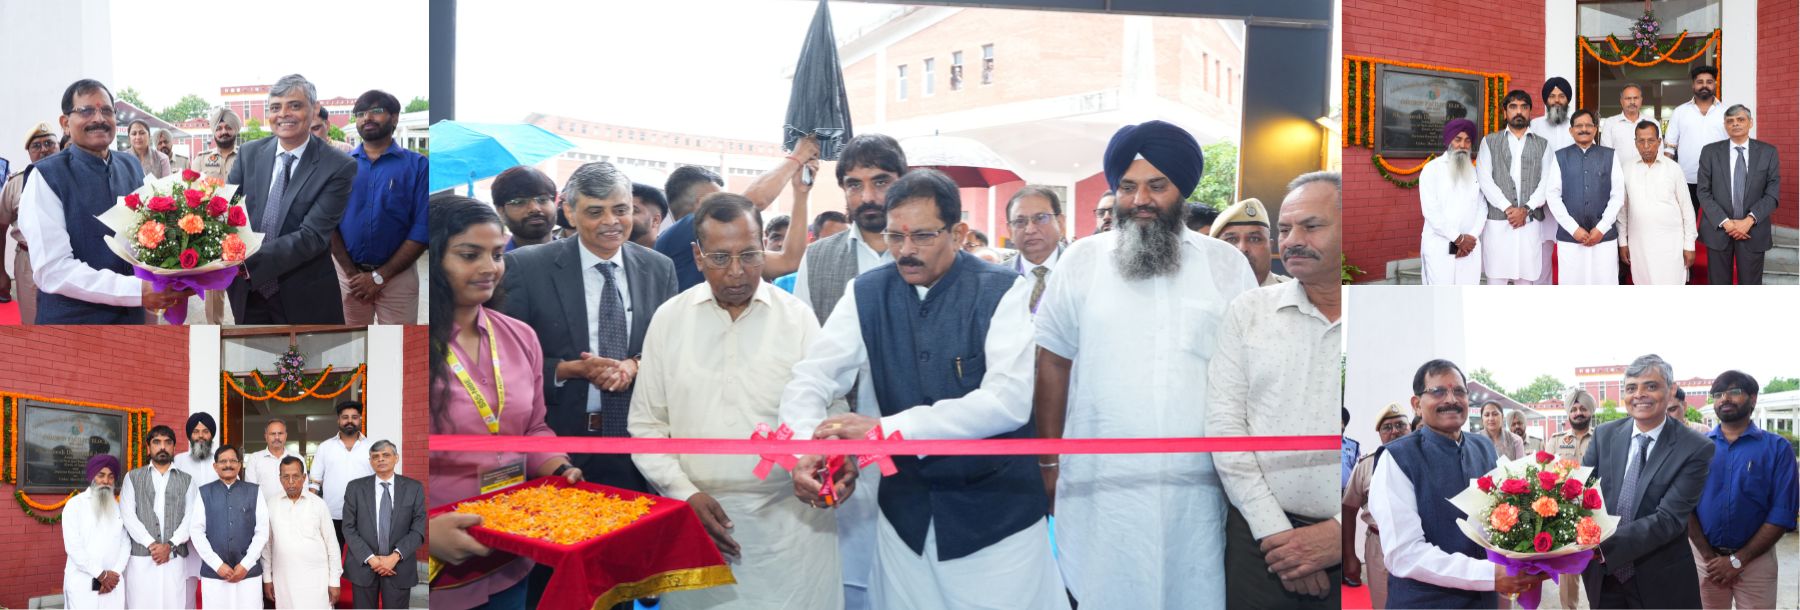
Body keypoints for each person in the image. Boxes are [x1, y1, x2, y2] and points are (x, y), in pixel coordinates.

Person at [780, 168, 1067, 610]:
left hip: (997, 522)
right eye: (895, 237)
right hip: (906, 520)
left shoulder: (1003, 290)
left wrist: (886, 430)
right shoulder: (867, 292)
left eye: (923, 237)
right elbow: (812, 377)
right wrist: (805, 449)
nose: (905, 251)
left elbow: (1006, 403)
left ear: (958, 232)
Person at [1034, 120, 1257, 607]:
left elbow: (1247, 374)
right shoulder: (1081, 261)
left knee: (1191, 586)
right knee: (1101, 589)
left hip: (1197, 484)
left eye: (1157, 186)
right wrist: (1048, 461)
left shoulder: (1226, 265)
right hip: (1099, 482)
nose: (1141, 200)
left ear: (1182, 191)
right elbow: (1052, 361)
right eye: (1128, 187)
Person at [629, 192, 840, 608]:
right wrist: (683, 493)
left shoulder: (797, 317)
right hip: (696, 523)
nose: (738, 272)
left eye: (750, 255)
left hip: (793, 530)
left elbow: (830, 414)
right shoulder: (670, 319)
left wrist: (824, 463)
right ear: (698, 255)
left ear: (766, 247)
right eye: (721, 258)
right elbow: (646, 427)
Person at [428, 195, 583, 610]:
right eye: (469, 254)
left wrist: (558, 467)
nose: (488, 268)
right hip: (437, 563)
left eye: (497, 254)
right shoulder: (405, 343)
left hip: (511, 549)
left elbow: (532, 429)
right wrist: (424, 534)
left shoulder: (519, 335)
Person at [498, 161, 677, 495]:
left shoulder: (659, 268)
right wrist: (571, 370)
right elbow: (506, 363)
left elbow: (673, 349)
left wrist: (634, 365)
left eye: (621, 209)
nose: (611, 222)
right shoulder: (527, 266)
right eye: (595, 212)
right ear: (569, 210)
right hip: (560, 447)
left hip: (639, 446)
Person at [1209, 171, 1343, 607]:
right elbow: (1225, 426)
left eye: (1311, 226)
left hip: (1360, 541)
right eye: (1285, 230)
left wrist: (1340, 533)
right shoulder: (1248, 312)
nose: (1293, 240)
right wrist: (1279, 536)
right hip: (1259, 542)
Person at [783, 135, 905, 607]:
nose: (868, 197)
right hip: (844, 444)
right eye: (854, 185)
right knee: (851, 572)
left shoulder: (927, 249)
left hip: (911, 435)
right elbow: (810, 360)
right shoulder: (821, 256)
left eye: (881, 182)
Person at [1372, 360, 1549, 607]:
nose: (1451, 400)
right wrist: (1488, 575)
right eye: (1438, 391)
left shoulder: (1483, 447)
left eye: (1459, 391)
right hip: (1426, 602)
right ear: (1416, 405)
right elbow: (1404, 554)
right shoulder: (1397, 458)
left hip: (1485, 600)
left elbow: (1502, 515)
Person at [21, 79, 190, 323]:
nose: (99, 118)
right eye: (86, 110)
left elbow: (149, 233)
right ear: (65, 123)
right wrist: (135, 291)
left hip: (133, 317)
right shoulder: (45, 176)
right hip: (74, 323)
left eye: (107, 111)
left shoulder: (130, 165)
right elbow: (53, 270)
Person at [1579, 354, 1712, 608]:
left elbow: (1669, 519)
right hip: (1603, 579)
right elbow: (1579, 493)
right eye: (1631, 388)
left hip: (1661, 582)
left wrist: (1601, 547)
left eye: (1651, 386)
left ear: (1671, 390)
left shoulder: (1696, 448)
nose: (1639, 394)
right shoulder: (1604, 436)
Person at [226, 74, 356, 324]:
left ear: (314, 109)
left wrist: (243, 263)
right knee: (252, 361)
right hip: (247, 294)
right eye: (275, 107)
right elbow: (224, 210)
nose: (283, 114)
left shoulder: (338, 166)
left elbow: (313, 236)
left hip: (303, 296)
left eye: (294, 105)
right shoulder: (248, 153)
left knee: (309, 362)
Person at [1687, 371, 1797, 609]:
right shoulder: (1698, 449)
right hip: (1707, 561)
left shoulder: (1777, 449)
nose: (1724, 398)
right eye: (1717, 394)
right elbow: (1685, 507)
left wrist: (1739, 560)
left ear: (1753, 398)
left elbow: (1782, 513)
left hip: (1757, 561)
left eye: (1734, 392)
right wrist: (1709, 557)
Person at [328, 90, 428, 325]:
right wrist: (353, 275)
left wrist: (380, 277)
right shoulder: (340, 167)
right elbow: (328, 223)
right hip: (348, 277)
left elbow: (422, 228)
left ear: (394, 118)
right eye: (360, 113)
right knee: (350, 347)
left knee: (397, 348)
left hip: (398, 278)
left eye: (376, 111)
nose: (367, 118)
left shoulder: (418, 166)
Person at [1695, 104, 1780, 285]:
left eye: (1740, 119)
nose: (1735, 124)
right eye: (1730, 121)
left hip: (1753, 231)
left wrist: (1748, 221)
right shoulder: (1710, 152)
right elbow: (1703, 191)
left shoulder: (1768, 152)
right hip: (1719, 230)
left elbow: (1772, 193)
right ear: (1725, 125)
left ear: (1750, 123)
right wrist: (1727, 223)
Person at [1477, 90, 1553, 285]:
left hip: (1529, 222)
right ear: (1505, 113)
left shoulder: (1543, 145)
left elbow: (1547, 182)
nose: (1518, 111)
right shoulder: (1489, 142)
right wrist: (1508, 208)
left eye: (1523, 107)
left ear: (1529, 112)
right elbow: (1484, 179)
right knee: (1496, 279)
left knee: (1526, 280)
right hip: (1498, 221)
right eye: (1513, 107)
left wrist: (1525, 210)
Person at [1341, 403, 1412, 610]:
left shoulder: (1426, 461)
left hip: (1417, 542)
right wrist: (1349, 556)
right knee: (1383, 604)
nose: (1395, 431)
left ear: (1410, 428)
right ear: (1379, 434)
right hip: (1378, 544)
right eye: (1387, 428)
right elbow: (1348, 509)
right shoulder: (1366, 465)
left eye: (1400, 425)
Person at [121, 425, 199, 609]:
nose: (162, 447)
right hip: (141, 557)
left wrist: (169, 545)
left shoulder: (187, 480)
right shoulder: (132, 477)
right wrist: (151, 544)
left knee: (173, 602)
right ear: (149, 448)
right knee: (141, 603)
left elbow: (191, 517)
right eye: (157, 442)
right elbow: (128, 515)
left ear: (173, 447)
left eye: (167, 442)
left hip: (174, 556)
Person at [1545, 109, 1625, 284]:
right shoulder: (1560, 156)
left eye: (1589, 125)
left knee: (1604, 283)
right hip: (1570, 237)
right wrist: (1574, 229)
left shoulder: (1609, 155)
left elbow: (1618, 195)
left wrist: (1602, 228)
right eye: (1579, 126)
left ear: (1595, 129)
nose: (1584, 129)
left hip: (1603, 237)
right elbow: (1552, 196)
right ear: (1571, 130)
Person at [343, 440, 425, 609]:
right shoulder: (355, 488)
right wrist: (372, 559)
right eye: (375, 456)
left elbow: (418, 529)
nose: (380, 459)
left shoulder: (414, 488)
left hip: (399, 566)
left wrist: (394, 557)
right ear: (371, 461)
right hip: (364, 566)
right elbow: (348, 528)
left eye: (386, 455)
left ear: (396, 458)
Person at [188, 444, 270, 609]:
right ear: (215, 466)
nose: (228, 465)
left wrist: (246, 564)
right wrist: (217, 565)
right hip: (215, 574)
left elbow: (262, 531)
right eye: (223, 461)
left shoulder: (254, 491)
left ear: (239, 465)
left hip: (248, 573)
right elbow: (196, 531)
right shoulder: (204, 492)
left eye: (233, 461)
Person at [1619, 121, 1697, 285]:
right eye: (1641, 141)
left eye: (1651, 140)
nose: (1646, 146)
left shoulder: (1673, 168)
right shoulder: (1626, 168)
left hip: (1671, 245)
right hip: (1639, 244)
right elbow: (1622, 210)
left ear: (1659, 142)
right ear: (1635, 143)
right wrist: (1623, 242)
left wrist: (1689, 244)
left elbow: (1687, 209)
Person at [260, 456, 342, 609]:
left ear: (304, 478)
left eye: (296, 476)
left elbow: (332, 545)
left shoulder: (318, 504)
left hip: (317, 581)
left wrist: (334, 581)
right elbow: (267, 546)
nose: (291, 481)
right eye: (286, 476)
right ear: (280, 479)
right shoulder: (271, 504)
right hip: (284, 580)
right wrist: (267, 578)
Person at [0, 122, 60, 318]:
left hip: (66, 257)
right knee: (32, 320)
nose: (44, 150)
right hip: (28, 261)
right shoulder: (16, 183)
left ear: (58, 146)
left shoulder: (74, 179)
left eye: (49, 143)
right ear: (28, 152)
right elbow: (0, 229)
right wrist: (1, 272)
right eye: (36, 146)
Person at [1419, 118, 1485, 284]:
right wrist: (1458, 239)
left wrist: (1471, 237)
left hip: (1470, 247)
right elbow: (1431, 212)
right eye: (1458, 139)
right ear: (1449, 140)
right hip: (1440, 246)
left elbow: (1482, 206)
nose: (1463, 145)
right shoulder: (1432, 169)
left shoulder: (1476, 171)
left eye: (1467, 140)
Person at [1550, 388, 1599, 610]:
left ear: (1591, 412)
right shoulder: (1556, 440)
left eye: (1583, 408)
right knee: (1568, 573)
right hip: (1565, 513)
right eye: (1574, 409)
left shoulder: (1603, 438)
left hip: (1596, 511)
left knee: (1598, 568)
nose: (1578, 413)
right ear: (1568, 414)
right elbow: (1547, 475)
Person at [63, 454, 129, 609]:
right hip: (83, 582)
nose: (106, 481)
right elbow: (74, 548)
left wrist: (114, 574)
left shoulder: (118, 508)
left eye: (111, 477)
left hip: (114, 583)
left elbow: (126, 543)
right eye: (101, 475)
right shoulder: (75, 505)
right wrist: (101, 575)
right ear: (92, 476)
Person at [1526, 77, 1576, 283]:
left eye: (1561, 96)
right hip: (1541, 201)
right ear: (1545, 100)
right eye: (1552, 96)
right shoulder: (1534, 125)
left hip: (1571, 199)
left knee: (1571, 252)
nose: (1557, 100)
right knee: (1541, 252)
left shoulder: (1578, 123)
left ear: (1568, 100)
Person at [309, 401, 375, 546]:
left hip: (365, 515)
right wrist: (311, 511)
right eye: (345, 417)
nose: (350, 421)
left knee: (362, 559)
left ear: (360, 419)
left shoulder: (372, 448)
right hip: (332, 514)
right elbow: (314, 482)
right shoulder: (325, 447)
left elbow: (380, 479)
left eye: (354, 417)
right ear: (338, 420)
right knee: (334, 557)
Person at [651, 165, 726, 291]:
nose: (726, 208)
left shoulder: (671, 237)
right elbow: (754, 202)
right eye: (720, 201)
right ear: (703, 203)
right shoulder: (688, 228)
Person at [1665, 65, 1729, 210]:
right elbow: (1669, 148)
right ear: (1693, 85)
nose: (1704, 85)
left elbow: (1733, 144)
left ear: (1715, 84)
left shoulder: (1727, 112)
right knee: (1689, 222)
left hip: (1719, 179)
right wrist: (1666, 176)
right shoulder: (1680, 112)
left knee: (1717, 223)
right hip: (1687, 179)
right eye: (1700, 82)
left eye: (1709, 81)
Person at [1004, 185, 1066, 311]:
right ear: (1010, 231)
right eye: (1020, 221)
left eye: (1040, 218)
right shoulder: (997, 279)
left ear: (1060, 223)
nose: (1030, 230)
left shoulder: (1082, 270)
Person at [1209, 197, 1289, 286]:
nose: (1243, 248)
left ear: (1270, 246)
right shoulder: (1198, 293)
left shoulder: (1295, 294)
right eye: (1231, 240)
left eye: (1254, 239)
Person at [492, 165, 560, 251]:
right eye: (519, 202)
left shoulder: (576, 256)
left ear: (555, 202)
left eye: (542, 199)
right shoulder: (497, 263)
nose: (534, 208)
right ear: (500, 210)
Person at [242, 419, 294, 504]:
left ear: (286, 436)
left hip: (292, 512)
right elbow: (250, 491)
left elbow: (304, 489)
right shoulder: (255, 459)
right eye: (273, 434)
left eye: (280, 433)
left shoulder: (297, 458)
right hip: (264, 513)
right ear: (266, 436)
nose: (277, 437)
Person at [191, 107, 241, 182]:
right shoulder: (201, 159)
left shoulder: (244, 157)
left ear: (236, 131)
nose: (224, 132)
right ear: (214, 133)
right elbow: (192, 187)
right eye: (219, 129)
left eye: (228, 128)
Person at [1599, 84, 1646, 153]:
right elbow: (1606, 154)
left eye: (1636, 98)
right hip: (1618, 164)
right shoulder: (1610, 123)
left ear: (1641, 100)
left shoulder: (1652, 122)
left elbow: (1659, 153)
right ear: (1621, 101)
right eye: (1628, 98)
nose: (1632, 102)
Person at [631, 181, 668, 249]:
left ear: (655, 220)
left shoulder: (671, 254)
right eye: (621, 211)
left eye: (633, 211)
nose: (625, 217)